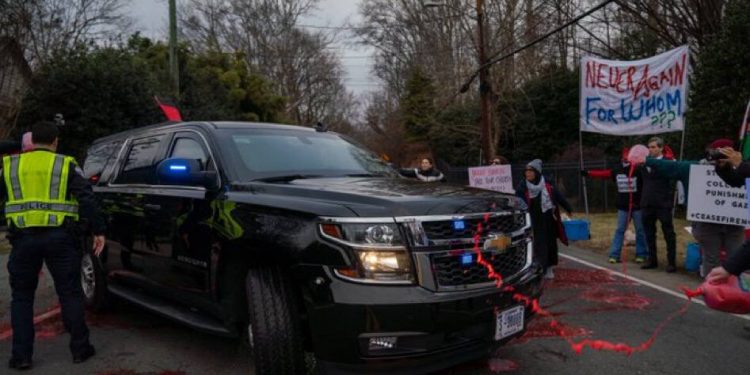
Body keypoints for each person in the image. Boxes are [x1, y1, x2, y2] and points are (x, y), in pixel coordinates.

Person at [2, 121, 106, 370]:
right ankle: (80, 349)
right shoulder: (65, 164)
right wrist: (99, 230)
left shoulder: (11, 165)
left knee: (22, 298)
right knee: (70, 292)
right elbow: (86, 197)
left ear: (31, 140)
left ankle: (21, 356)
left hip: (23, 239)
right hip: (60, 238)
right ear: (55, 141)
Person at [641, 139, 744, 277]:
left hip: (734, 224)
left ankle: (735, 293)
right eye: (718, 152)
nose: (721, 156)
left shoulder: (742, 169)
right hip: (708, 224)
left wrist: (740, 165)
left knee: (737, 261)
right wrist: (647, 160)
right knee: (711, 259)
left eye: (726, 152)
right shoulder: (695, 168)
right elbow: (671, 166)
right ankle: (712, 292)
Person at [582, 147, 648, 264]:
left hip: (637, 206)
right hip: (623, 206)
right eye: (625, 157)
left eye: (629, 157)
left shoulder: (639, 170)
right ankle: (614, 255)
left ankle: (641, 254)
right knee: (620, 230)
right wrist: (589, 173)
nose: (627, 160)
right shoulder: (617, 170)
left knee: (640, 230)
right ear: (622, 158)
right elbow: (605, 173)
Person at [516, 159, 572, 279]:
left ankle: (549, 267)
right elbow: (518, 201)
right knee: (538, 244)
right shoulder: (522, 186)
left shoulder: (547, 185)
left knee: (550, 243)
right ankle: (539, 267)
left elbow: (558, 197)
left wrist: (568, 208)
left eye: (531, 171)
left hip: (548, 219)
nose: (528, 173)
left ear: (537, 172)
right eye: (526, 171)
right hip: (532, 220)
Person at [639, 137, 678, 272]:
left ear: (661, 148)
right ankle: (652, 260)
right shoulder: (643, 163)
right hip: (647, 203)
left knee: (668, 233)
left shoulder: (668, 162)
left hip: (663, 203)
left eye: (654, 147)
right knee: (649, 233)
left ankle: (671, 262)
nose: (651, 149)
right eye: (649, 147)